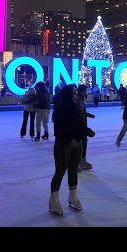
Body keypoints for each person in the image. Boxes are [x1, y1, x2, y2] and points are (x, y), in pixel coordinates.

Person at [49, 84, 86, 215]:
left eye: (76, 92)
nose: (76, 95)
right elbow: (59, 130)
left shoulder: (77, 108)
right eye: (74, 93)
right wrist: (72, 138)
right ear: (67, 95)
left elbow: (80, 125)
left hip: (77, 144)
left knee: (73, 170)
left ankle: (73, 196)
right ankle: (53, 200)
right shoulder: (60, 110)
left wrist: (84, 133)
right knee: (60, 171)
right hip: (64, 144)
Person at [76, 84, 95, 169]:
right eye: (85, 91)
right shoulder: (78, 99)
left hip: (82, 123)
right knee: (80, 143)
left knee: (83, 143)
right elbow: (79, 112)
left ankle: (82, 161)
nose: (86, 92)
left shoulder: (82, 98)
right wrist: (88, 114)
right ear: (81, 91)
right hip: (79, 124)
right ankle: (78, 163)